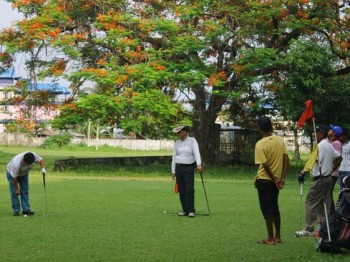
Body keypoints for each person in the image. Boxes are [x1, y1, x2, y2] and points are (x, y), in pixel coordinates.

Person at [296, 125, 342, 236]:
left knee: (310, 202)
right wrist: (331, 169)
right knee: (323, 204)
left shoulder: (320, 146)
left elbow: (311, 162)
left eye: (316, 132)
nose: (314, 134)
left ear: (321, 133)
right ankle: (324, 228)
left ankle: (309, 228)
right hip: (328, 178)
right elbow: (339, 158)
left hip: (320, 179)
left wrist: (303, 173)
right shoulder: (328, 145)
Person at [254, 116, 289, 244]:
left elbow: (264, 164)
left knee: (266, 209)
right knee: (275, 207)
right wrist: (282, 178)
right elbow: (286, 159)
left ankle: (270, 238)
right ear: (271, 126)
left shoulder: (260, 144)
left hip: (264, 179)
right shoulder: (280, 140)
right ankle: (278, 236)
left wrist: (273, 178)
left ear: (259, 128)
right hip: (277, 180)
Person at [171, 125, 202, 218]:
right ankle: (184, 210)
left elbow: (196, 152)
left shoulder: (192, 141)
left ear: (185, 132)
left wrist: (199, 164)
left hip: (189, 167)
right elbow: (174, 157)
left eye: (179, 132)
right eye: (177, 132)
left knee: (189, 189)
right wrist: (173, 170)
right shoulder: (177, 142)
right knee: (182, 189)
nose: (178, 134)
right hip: (179, 167)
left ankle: (191, 210)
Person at [6, 151, 46, 216]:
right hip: (12, 174)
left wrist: (43, 168)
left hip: (24, 174)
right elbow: (14, 178)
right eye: (27, 164)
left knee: (24, 191)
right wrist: (16, 188)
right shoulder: (16, 163)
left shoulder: (33, 156)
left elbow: (40, 160)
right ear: (23, 160)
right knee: (14, 193)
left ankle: (26, 209)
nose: (28, 165)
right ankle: (16, 210)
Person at [328, 124, 343, 213]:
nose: (329, 130)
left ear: (334, 133)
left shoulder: (336, 143)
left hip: (332, 173)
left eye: (331, 129)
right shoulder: (331, 142)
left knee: (328, 193)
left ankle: (331, 212)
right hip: (331, 172)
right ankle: (330, 212)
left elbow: (338, 158)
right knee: (327, 193)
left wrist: (331, 170)